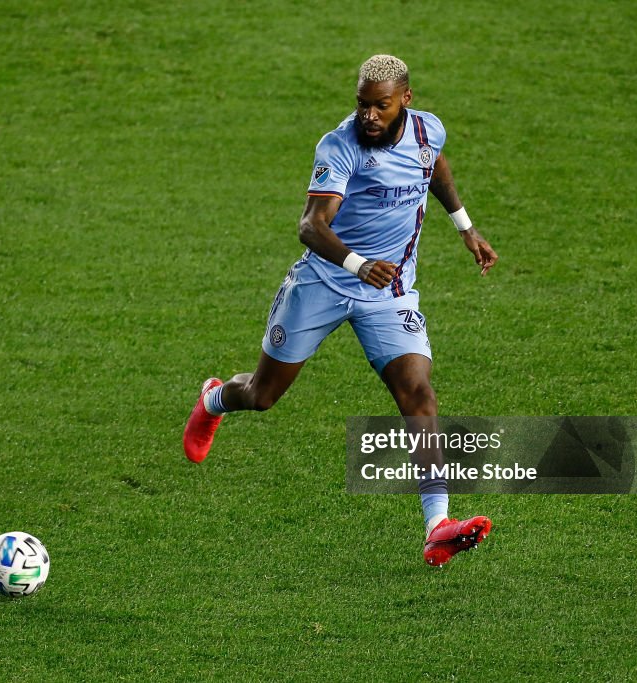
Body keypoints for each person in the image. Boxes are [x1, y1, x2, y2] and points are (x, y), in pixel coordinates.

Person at [183, 55, 498, 567]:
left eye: (381, 106)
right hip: (324, 281)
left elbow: (435, 166)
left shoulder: (427, 132)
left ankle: (438, 524)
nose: (369, 116)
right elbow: (311, 225)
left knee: (419, 395)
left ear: (406, 102)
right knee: (262, 397)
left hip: (390, 292)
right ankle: (215, 399)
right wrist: (357, 263)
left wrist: (465, 227)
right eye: (362, 104)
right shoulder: (340, 146)